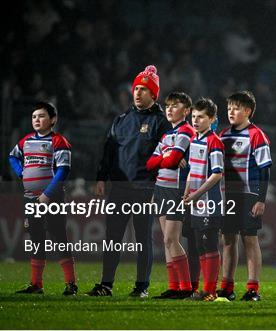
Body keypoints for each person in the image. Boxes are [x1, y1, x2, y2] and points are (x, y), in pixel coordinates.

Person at [86, 65, 170, 298]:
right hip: (120, 189)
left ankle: (141, 287)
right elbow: (108, 151)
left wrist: (158, 186)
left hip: (145, 189)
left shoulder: (161, 122)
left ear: (154, 94)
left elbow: (167, 158)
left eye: (144, 89)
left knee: (143, 239)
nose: (137, 92)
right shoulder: (121, 120)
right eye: (136, 88)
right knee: (112, 238)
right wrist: (101, 178)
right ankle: (106, 285)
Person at [9, 102, 77, 295]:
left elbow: (64, 170)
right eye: (34, 117)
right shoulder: (26, 141)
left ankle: (71, 284)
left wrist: (47, 194)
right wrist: (21, 172)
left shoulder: (58, 141)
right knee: (36, 239)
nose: (36, 120)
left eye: (41, 116)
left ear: (53, 120)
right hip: (30, 199)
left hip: (52, 199)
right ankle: (36, 285)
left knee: (59, 238)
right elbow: (12, 157)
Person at [218, 91, 272, 301]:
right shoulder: (223, 135)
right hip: (227, 195)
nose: (231, 111)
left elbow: (265, 169)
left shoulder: (256, 135)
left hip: (249, 194)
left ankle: (253, 289)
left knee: (250, 239)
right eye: (229, 107)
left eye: (237, 108)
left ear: (248, 111)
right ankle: (227, 287)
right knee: (228, 240)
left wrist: (261, 199)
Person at [146, 92, 197, 299]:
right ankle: (174, 286)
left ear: (186, 111)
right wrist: (167, 158)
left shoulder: (186, 131)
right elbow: (151, 163)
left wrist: (167, 157)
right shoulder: (167, 135)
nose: (169, 109)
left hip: (176, 189)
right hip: (160, 187)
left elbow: (172, 158)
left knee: (171, 238)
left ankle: (185, 287)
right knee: (166, 240)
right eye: (167, 105)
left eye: (175, 106)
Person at [183, 98, 225, 301]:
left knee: (209, 245)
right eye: (193, 117)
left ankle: (210, 290)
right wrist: (187, 190)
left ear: (212, 119)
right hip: (195, 201)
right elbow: (192, 170)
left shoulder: (214, 141)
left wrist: (197, 193)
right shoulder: (194, 140)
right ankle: (202, 289)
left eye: (201, 117)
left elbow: (217, 174)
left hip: (209, 202)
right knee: (199, 244)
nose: (196, 121)